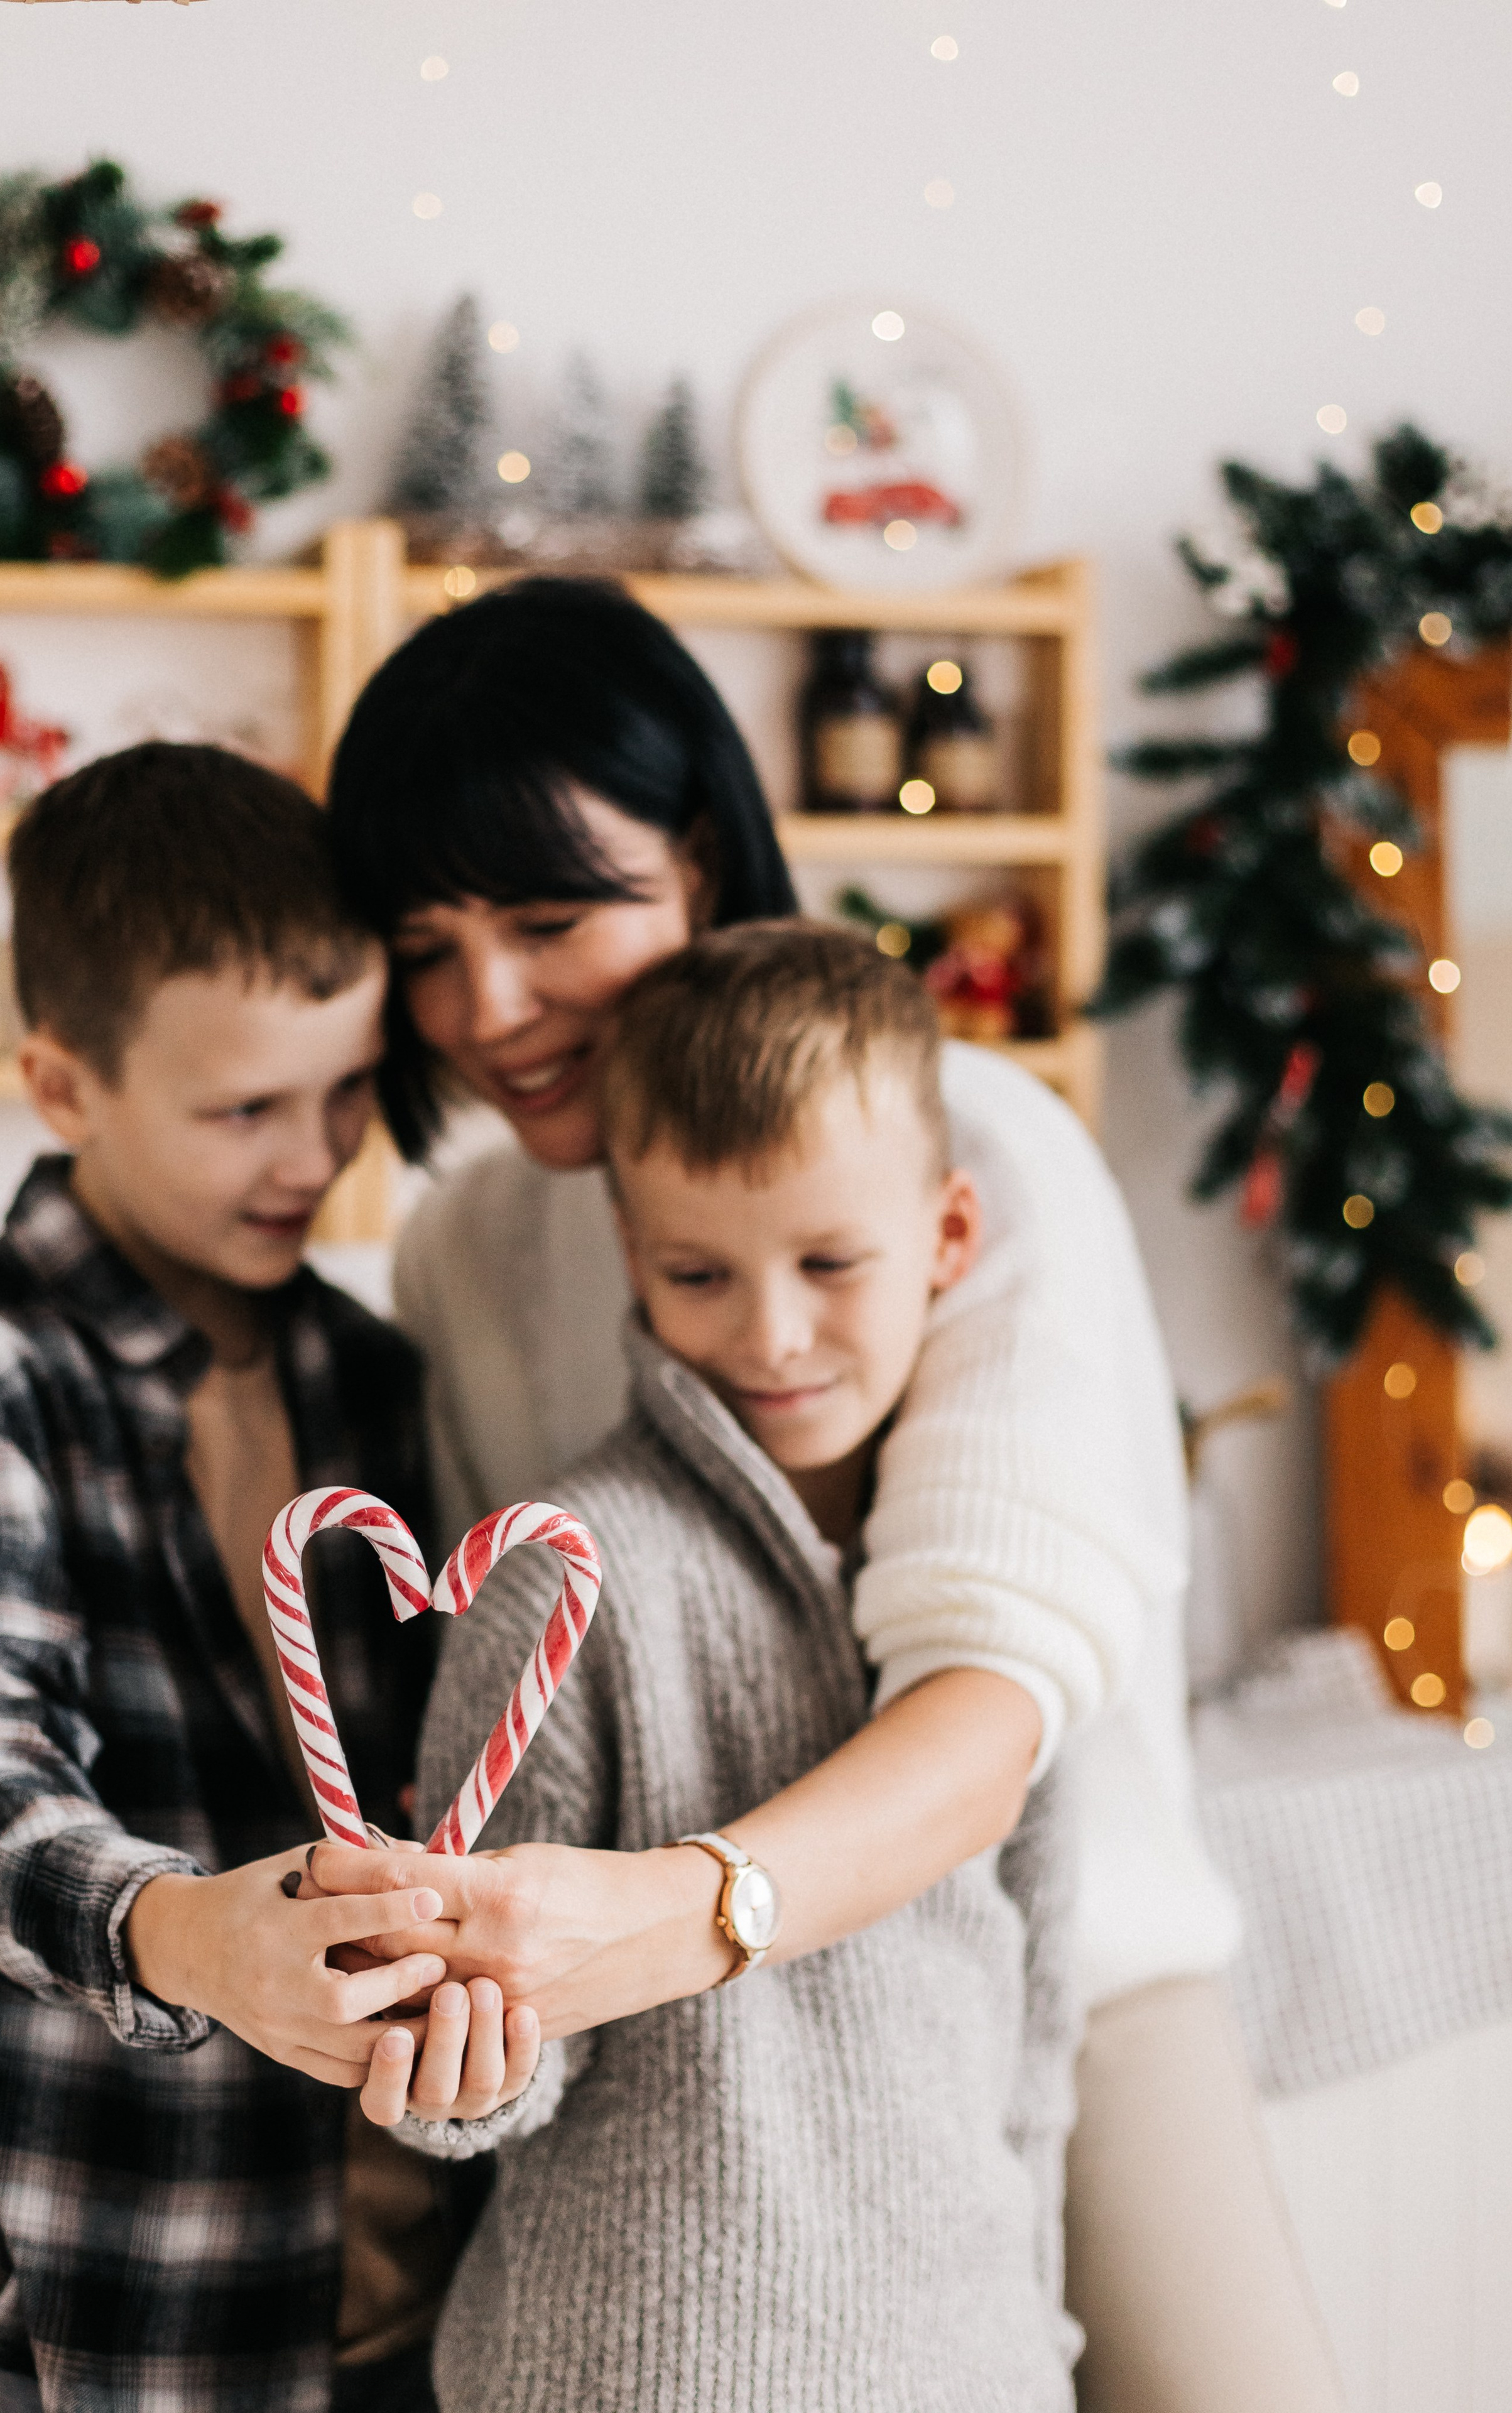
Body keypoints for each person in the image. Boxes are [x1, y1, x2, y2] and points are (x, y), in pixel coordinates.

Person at [322, 580, 1347, 2413]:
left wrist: (670, 1907)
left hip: (1059, 1983)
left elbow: (986, 1705)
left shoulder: (976, 1149)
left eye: (554, 917)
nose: (489, 1004)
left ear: (703, 857)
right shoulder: (465, 1244)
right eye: (426, 943)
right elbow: (530, 1690)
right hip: (678, 2078)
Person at [368, 922, 1083, 2412]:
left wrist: (1038, 2325)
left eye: (830, 1262)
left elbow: (1035, 2014)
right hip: (624, 2367)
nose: (770, 1333)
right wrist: (453, 2064)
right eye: (699, 1271)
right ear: (631, 1249)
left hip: (966, 2359)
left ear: (948, 1236)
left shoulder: (999, 1566)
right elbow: (492, 2064)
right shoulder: (565, 1571)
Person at [0, 744, 514, 2413]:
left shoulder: (376, 1374)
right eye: (243, 1108)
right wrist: (180, 1933)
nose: (311, 1158)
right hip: (89, 2294)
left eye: (343, 1092)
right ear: (62, 1085)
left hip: (391, 2275)